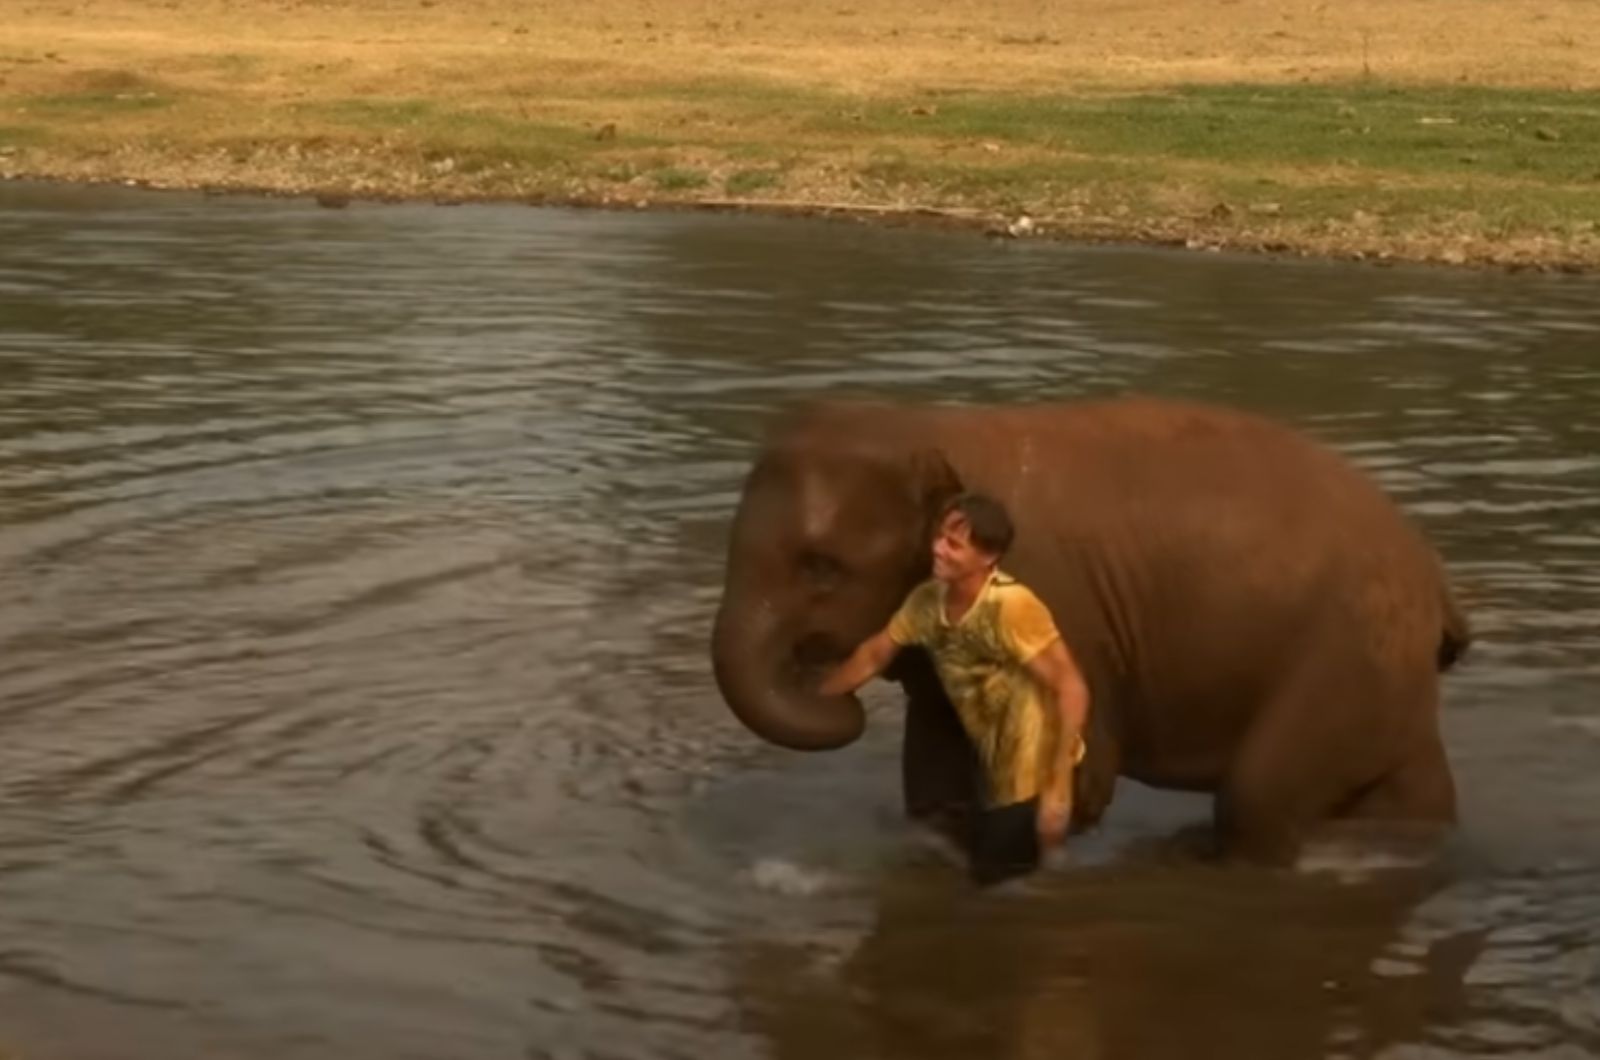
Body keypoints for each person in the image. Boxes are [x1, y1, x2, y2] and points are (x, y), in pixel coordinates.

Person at [819, 492, 1090, 885]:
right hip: (990, 764)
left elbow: (1072, 687)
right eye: (939, 537)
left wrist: (1058, 789)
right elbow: (875, 654)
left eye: (954, 544)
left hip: (1036, 772)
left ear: (988, 556)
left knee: (988, 897)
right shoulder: (927, 602)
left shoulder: (1011, 607)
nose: (938, 549)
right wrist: (821, 696)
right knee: (984, 877)